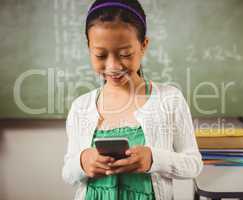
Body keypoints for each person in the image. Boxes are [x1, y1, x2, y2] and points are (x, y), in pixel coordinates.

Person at [62, 0, 203, 199]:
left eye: (125, 54)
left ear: (143, 45)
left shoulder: (170, 99)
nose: (113, 65)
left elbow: (194, 164)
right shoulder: (81, 107)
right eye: (100, 55)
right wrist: (83, 161)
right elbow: (68, 173)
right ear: (88, 47)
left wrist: (153, 159)